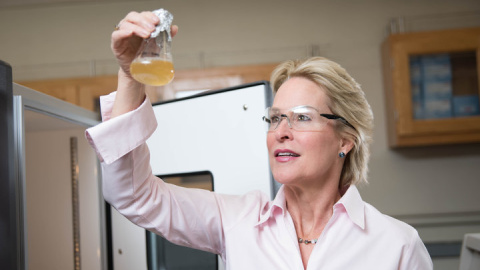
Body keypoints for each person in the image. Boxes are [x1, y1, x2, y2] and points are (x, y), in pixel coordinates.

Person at [86, 11, 433, 270]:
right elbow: (134, 196)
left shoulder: (396, 245)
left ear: (346, 140)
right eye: (276, 117)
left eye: (302, 117)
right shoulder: (237, 221)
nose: (282, 130)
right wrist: (130, 75)